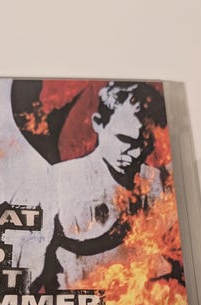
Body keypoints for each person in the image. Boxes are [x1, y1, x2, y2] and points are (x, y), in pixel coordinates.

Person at [29, 81, 168, 291]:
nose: (135, 153)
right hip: (77, 300)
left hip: (135, 301)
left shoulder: (154, 181)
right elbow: (35, 262)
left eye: (143, 144)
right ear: (98, 123)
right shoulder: (61, 178)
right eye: (124, 139)